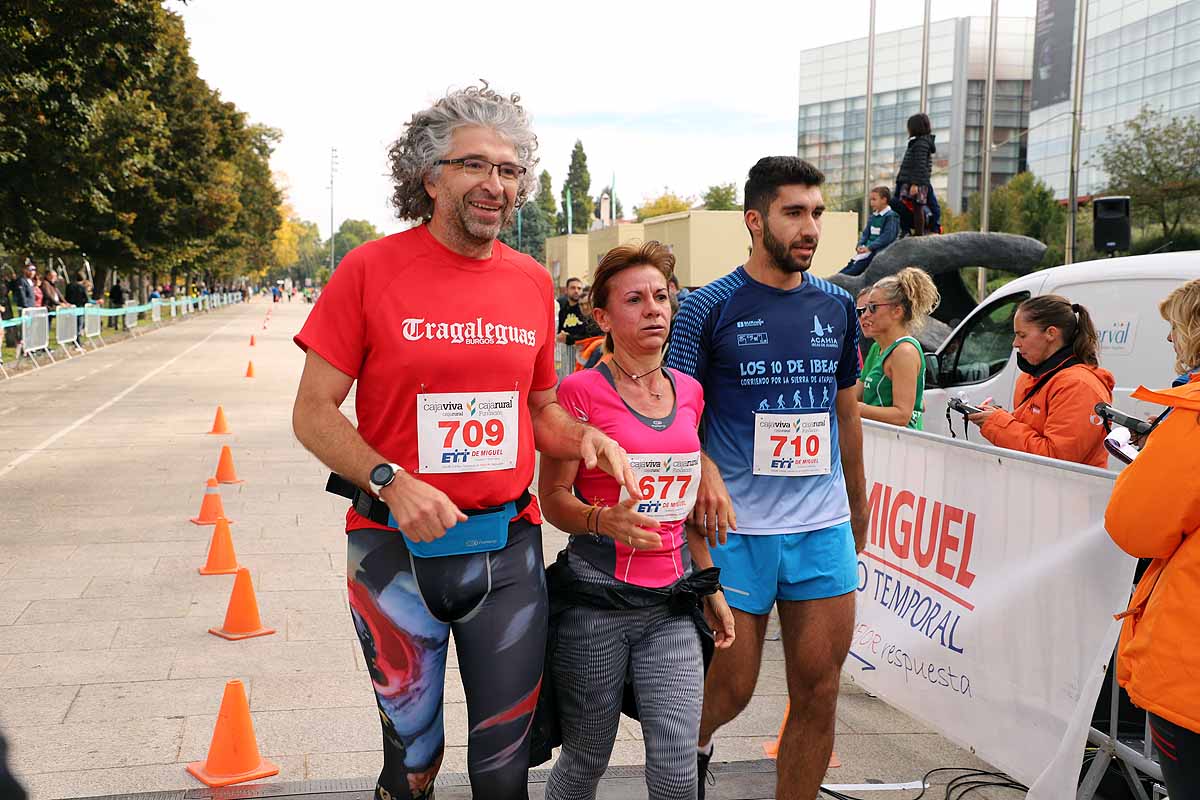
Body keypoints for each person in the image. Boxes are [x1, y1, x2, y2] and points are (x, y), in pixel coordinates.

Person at [290, 82, 638, 800]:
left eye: (510, 171)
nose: (496, 184)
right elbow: (314, 413)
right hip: (394, 553)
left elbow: (539, 410)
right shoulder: (369, 270)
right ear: (430, 177)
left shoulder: (529, 282)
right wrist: (391, 479)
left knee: (503, 769)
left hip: (505, 552)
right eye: (475, 165)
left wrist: (583, 438)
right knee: (413, 764)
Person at [666, 156, 867, 800]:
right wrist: (698, 468)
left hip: (821, 524)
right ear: (755, 221)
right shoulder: (707, 307)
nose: (810, 228)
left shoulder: (838, 305)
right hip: (736, 530)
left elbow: (846, 410)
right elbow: (674, 413)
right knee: (731, 687)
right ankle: (684, 760)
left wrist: (858, 507)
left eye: (817, 213)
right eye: (794, 213)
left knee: (820, 688)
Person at [539, 241, 735, 800]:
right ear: (602, 317)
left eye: (661, 296)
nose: (654, 308)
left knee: (676, 766)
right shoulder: (577, 393)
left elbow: (686, 506)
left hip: (672, 603)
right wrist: (602, 520)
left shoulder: (690, 392)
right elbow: (551, 497)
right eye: (635, 299)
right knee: (586, 758)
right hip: (595, 603)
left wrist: (709, 586)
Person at [1104, 278, 1200, 800]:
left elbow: (1135, 527)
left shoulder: (1191, 416)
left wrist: (1151, 460)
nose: (1169, 341)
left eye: (1173, 328)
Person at [968, 295, 1113, 467]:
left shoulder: (1078, 386)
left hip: (1065, 491)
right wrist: (996, 418)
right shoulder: (1035, 376)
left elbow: (1055, 459)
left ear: (1051, 333)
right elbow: (1031, 432)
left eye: (1022, 335)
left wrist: (997, 423)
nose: (1015, 343)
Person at [855, 268, 940, 430]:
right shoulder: (877, 348)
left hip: (900, 446)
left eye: (872, 308)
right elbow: (854, 395)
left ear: (897, 311)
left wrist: (855, 409)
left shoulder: (904, 352)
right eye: (861, 311)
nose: (864, 315)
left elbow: (901, 415)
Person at [842, 187, 900, 277]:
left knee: (853, 271)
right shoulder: (873, 217)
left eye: (874, 199)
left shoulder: (891, 216)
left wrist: (870, 247)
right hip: (866, 251)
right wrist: (860, 245)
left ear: (884, 200)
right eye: (871, 200)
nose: (871, 203)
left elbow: (887, 237)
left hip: (877, 253)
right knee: (849, 268)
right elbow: (865, 234)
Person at [894, 113, 936, 236]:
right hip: (911, 180)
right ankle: (910, 231)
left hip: (916, 182)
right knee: (910, 207)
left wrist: (915, 184)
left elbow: (920, 165)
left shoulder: (921, 144)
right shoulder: (918, 143)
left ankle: (917, 234)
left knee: (917, 208)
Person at [557, 277, 587, 342]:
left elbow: (589, 335)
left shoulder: (586, 309)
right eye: (573, 288)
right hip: (566, 350)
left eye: (579, 288)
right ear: (566, 290)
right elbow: (559, 332)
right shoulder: (562, 311)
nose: (576, 291)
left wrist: (569, 338)